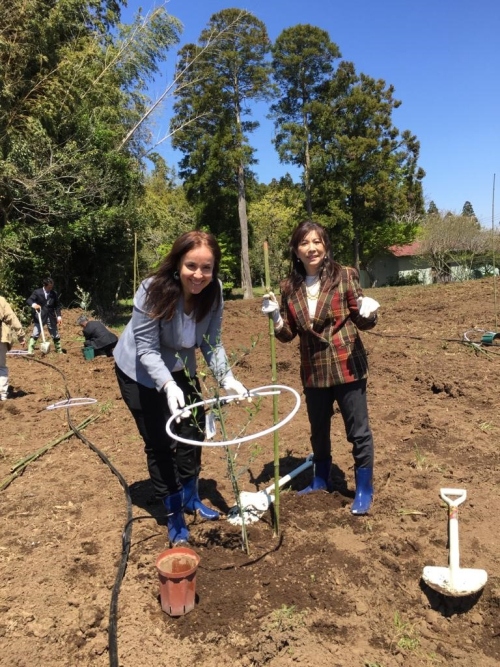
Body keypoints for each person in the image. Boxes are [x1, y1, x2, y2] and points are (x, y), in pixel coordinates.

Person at [114, 231, 248, 545]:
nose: (198, 275)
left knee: (193, 431)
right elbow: (146, 350)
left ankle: (190, 497)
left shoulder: (213, 292)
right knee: (160, 442)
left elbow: (211, 342)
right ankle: (175, 516)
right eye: (191, 266)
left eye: (207, 268)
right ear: (178, 263)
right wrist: (166, 385)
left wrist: (226, 378)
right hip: (138, 372)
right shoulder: (153, 290)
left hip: (179, 365)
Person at [261, 220, 380, 515]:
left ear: (325, 246)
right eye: (304, 243)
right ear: (296, 251)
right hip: (314, 369)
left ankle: (363, 488)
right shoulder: (289, 287)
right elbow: (288, 334)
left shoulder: (345, 276)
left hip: (346, 364)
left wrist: (370, 313)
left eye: (317, 241)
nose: (311, 248)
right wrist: (276, 317)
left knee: (358, 430)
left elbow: (362, 320)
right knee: (318, 430)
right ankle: (320, 478)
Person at [26, 277, 63, 353]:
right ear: (45, 285)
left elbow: (57, 306)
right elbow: (29, 300)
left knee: (55, 333)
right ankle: (30, 350)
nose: (50, 288)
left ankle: (59, 350)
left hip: (51, 315)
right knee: (36, 333)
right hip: (40, 315)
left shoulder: (54, 294)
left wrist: (59, 316)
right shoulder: (37, 292)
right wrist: (34, 305)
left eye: (51, 287)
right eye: (49, 287)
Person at [0, 296, 27, 401]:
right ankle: (2, 395)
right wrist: (21, 334)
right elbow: (11, 317)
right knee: (1, 367)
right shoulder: (1, 300)